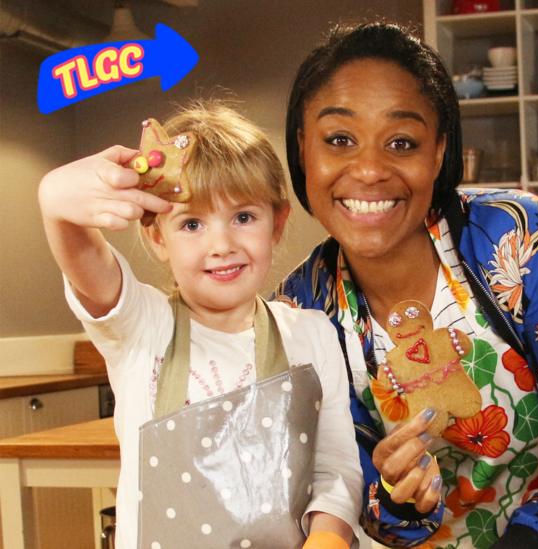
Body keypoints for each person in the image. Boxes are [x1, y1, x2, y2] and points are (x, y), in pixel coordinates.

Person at [276, 21, 538, 549]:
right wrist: (398, 503)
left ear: (437, 152)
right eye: (339, 140)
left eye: (401, 142)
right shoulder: (299, 311)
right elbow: (338, 502)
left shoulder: (517, 238)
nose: (369, 170)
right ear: (302, 149)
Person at [38, 103, 362, 549]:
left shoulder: (312, 335)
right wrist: (56, 204)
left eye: (243, 218)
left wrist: (328, 536)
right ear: (157, 237)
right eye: (192, 224)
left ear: (277, 224)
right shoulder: (141, 328)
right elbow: (89, 265)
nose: (221, 245)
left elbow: (335, 468)